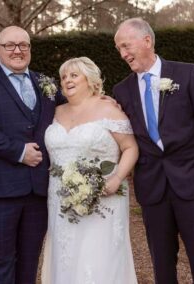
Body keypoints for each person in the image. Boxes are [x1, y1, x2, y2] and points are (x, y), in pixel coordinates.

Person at [113, 18, 194, 284]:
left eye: (126, 45)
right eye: (118, 49)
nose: (123, 53)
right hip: (153, 191)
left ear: (147, 41)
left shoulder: (187, 74)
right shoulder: (121, 90)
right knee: (162, 265)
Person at [0, 26, 65, 283]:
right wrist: (18, 151)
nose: (17, 50)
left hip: (39, 189)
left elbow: (76, 108)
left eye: (23, 45)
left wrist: (105, 103)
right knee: (0, 261)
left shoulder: (47, 83)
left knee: (30, 262)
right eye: (10, 45)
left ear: (30, 49)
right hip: (0, 189)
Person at [41, 57, 139, 284]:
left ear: (91, 80)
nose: (67, 80)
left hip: (103, 197)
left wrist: (116, 178)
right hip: (60, 199)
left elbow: (130, 147)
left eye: (74, 75)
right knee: (65, 256)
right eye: (64, 77)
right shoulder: (54, 111)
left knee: (96, 259)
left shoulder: (109, 108)